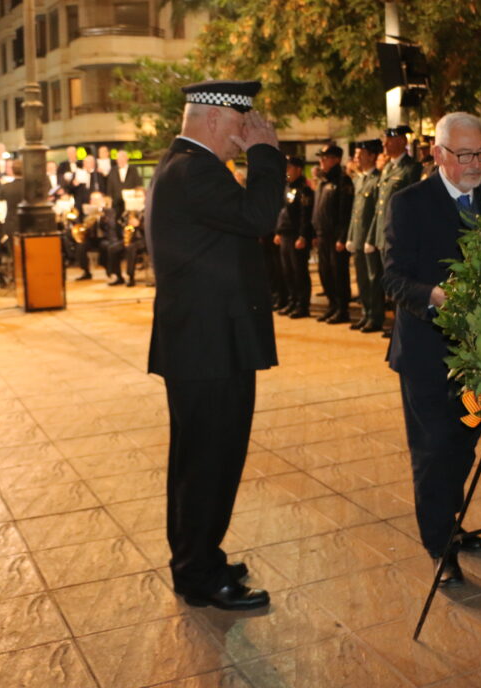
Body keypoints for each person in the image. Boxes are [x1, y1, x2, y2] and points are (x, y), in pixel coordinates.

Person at [383, 111, 481, 586]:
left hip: (478, 365)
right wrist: (434, 296)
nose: (476, 164)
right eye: (465, 155)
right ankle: (438, 545)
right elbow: (392, 277)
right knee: (432, 450)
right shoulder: (409, 203)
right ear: (437, 154)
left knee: (465, 440)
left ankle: (449, 518)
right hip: (428, 358)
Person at [147, 79, 283, 609]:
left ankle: (196, 557)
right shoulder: (196, 170)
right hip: (208, 348)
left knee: (198, 462)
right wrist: (267, 155)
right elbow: (259, 216)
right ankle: (199, 573)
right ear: (211, 120)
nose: (244, 134)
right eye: (239, 124)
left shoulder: (185, 166)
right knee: (210, 462)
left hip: (205, 344)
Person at [370, 126, 423, 336]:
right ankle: (394, 324)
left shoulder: (412, 169)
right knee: (389, 283)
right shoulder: (388, 169)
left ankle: (402, 325)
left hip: (402, 237)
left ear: (402, 141)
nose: (384, 144)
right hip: (386, 235)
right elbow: (380, 206)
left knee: (402, 283)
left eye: (389, 140)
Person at [311, 143, 353, 323]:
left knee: (338, 274)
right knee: (325, 272)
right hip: (322, 234)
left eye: (325, 157)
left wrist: (342, 237)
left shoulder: (343, 181)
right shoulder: (323, 181)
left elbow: (346, 212)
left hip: (336, 236)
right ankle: (332, 305)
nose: (321, 161)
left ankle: (342, 309)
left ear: (336, 160)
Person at [346, 139, 383, 331]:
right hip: (359, 238)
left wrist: (371, 239)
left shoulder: (378, 180)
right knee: (361, 279)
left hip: (370, 239)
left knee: (373, 279)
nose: (357, 159)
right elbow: (355, 211)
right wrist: (351, 236)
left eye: (360, 155)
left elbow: (378, 212)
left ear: (371, 156)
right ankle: (365, 313)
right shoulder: (360, 179)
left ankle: (375, 317)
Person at [274, 156, 314, 318]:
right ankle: (292, 301)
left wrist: (303, 236)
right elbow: (282, 212)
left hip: (296, 236)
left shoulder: (304, 189)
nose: (286, 171)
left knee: (299, 272)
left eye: (289, 168)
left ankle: (302, 305)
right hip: (285, 235)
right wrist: (278, 231)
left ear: (298, 169)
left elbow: (306, 215)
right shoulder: (287, 187)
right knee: (288, 272)